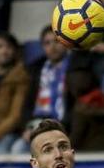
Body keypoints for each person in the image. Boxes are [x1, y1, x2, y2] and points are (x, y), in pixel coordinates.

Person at [11, 26, 71, 155]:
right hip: (36, 125)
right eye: (47, 43)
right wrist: (26, 129)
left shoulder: (75, 68)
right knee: (17, 149)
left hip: (62, 126)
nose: (52, 47)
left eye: (56, 41)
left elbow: (74, 106)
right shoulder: (35, 70)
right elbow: (26, 103)